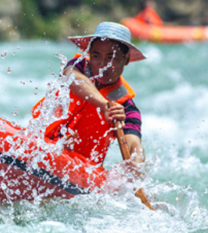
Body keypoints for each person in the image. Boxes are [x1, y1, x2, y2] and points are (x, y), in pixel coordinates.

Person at [32, 21, 146, 168]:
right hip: (41, 143)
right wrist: (104, 105)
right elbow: (73, 79)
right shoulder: (77, 66)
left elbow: (134, 146)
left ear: (126, 59)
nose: (102, 65)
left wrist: (136, 167)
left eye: (111, 58)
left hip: (79, 168)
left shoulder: (127, 109)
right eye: (96, 56)